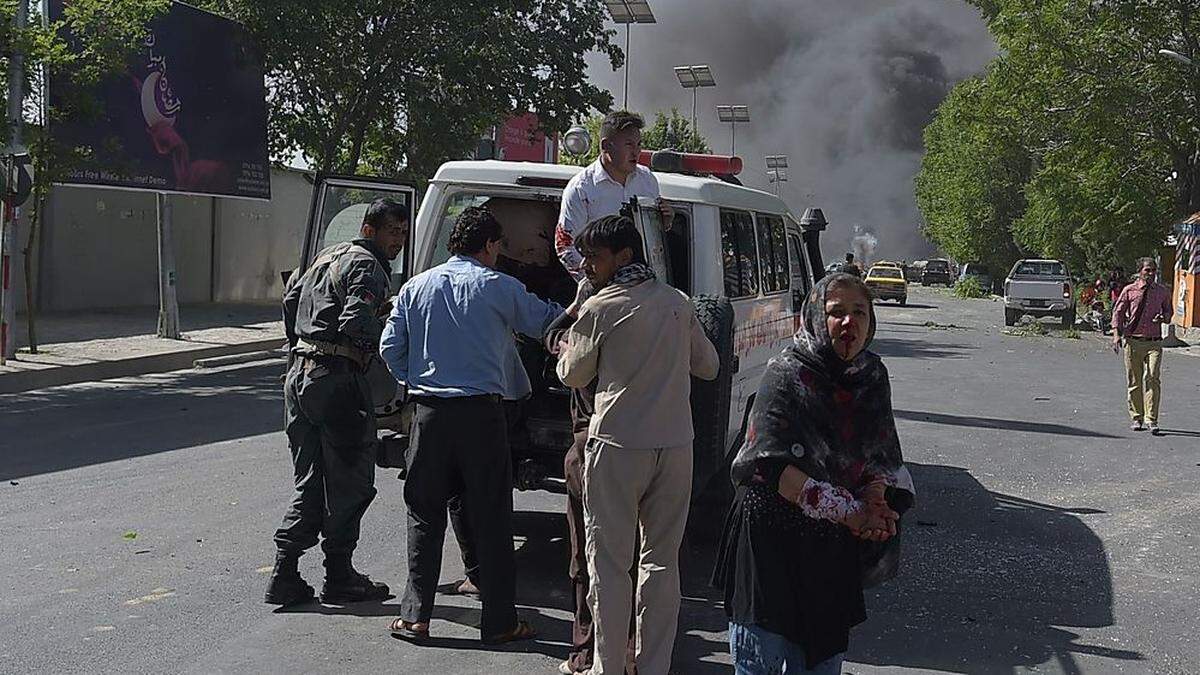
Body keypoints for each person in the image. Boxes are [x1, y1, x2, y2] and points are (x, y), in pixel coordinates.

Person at [380, 206, 568, 644]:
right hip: (482, 416)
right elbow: (546, 322)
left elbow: (391, 347)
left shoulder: (415, 286)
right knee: (491, 516)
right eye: (499, 246)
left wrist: (420, 378)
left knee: (423, 514)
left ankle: (415, 617)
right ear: (488, 246)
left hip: (428, 415)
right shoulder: (500, 287)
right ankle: (500, 621)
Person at [713, 272, 915, 674]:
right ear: (814, 317)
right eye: (836, 312)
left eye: (859, 312)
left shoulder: (871, 376)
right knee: (763, 660)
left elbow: (880, 456)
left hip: (830, 546)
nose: (848, 322)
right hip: (771, 540)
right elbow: (769, 467)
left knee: (822, 661)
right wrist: (850, 511)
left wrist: (875, 500)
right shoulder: (785, 373)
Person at [557, 214, 720, 675]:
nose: (586, 265)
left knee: (608, 564)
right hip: (674, 447)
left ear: (623, 257)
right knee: (662, 564)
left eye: (594, 257)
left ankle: (606, 667)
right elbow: (707, 367)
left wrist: (568, 346)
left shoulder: (600, 308)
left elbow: (573, 374)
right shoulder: (677, 303)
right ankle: (652, 667)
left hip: (617, 446)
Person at [266, 198, 408, 607]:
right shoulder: (368, 266)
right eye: (391, 232)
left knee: (311, 479)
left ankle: (285, 570)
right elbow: (357, 323)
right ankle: (339, 574)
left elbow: (291, 303)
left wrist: (301, 348)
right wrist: (393, 335)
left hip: (301, 376)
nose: (397, 241)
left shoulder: (326, 256)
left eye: (402, 233)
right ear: (369, 229)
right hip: (338, 381)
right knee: (350, 481)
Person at [556, 109, 672, 281]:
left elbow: (653, 241)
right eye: (629, 145)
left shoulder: (647, 180)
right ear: (606, 146)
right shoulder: (581, 188)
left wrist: (664, 224)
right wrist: (594, 284)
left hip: (643, 286)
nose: (636, 152)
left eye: (639, 144)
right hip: (601, 293)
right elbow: (565, 246)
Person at [1111, 257, 1173, 435]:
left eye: (1153, 270)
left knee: (1153, 378)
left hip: (1154, 342)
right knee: (1134, 381)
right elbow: (1118, 312)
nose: (1151, 274)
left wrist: (1163, 317)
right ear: (1140, 271)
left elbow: (1169, 312)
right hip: (1133, 341)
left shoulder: (1162, 291)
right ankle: (1137, 417)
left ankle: (1151, 419)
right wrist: (1116, 335)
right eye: (1148, 270)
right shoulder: (1129, 290)